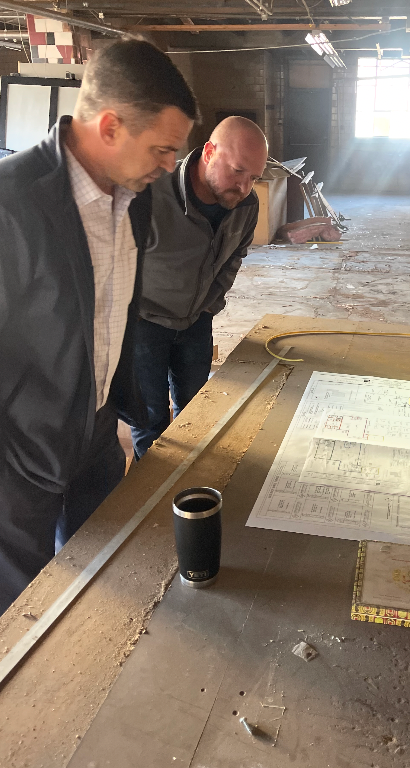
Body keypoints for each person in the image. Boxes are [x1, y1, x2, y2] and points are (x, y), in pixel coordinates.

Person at [0, 38, 198, 614]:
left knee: (101, 578)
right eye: (162, 149)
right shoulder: (12, 203)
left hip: (96, 432)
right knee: (23, 612)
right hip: (20, 455)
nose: (169, 167)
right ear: (109, 127)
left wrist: (114, 410)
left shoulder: (132, 193)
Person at [130, 116, 269, 459]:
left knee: (195, 409)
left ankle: (189, 482)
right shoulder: (149, 194)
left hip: (197, 322)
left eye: (254, 177)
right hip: (144, 326)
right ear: (209, 152)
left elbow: (236, 255)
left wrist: (210, 304)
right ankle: (154, 499)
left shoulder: (246, 205)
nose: (245, 187)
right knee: (149, 420)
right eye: (238, 171)